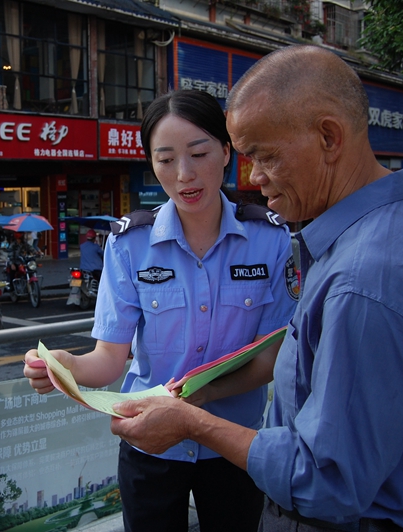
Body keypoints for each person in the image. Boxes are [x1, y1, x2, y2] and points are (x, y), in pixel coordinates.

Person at [109, 45, 403, 531]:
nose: (254, 179)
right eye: (165, 159)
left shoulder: (365, 280)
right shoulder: (368, 236)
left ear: (328, 137)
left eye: (266, 156)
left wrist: (192, 422)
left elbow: (327, 480)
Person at [23, 89, 298, 532]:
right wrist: (64, 366)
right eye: (165, 159)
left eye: (199, 153)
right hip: (148, 446)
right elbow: (109, 358)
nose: (184, 174)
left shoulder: (270, 239)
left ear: (226, 152)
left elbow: (269, 360)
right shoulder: (129, 243)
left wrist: (197, 401)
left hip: (233, 446)